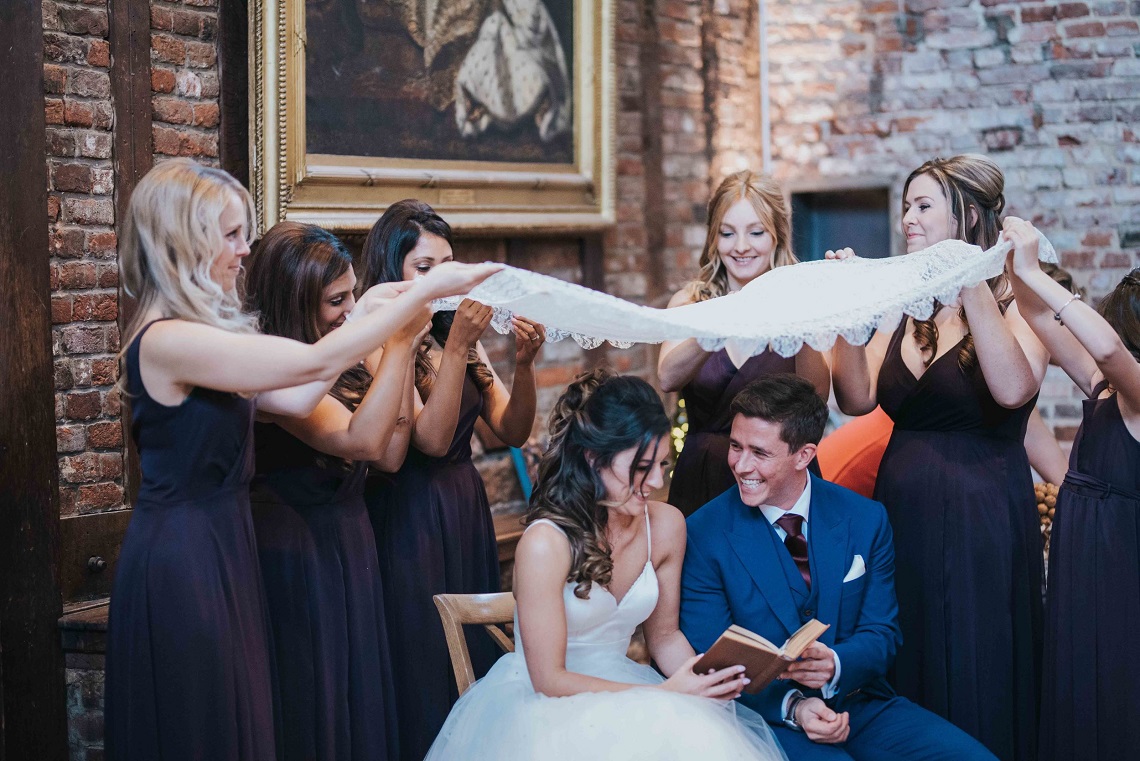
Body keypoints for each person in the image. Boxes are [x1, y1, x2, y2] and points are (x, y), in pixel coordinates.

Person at [102, 160, 499, 760]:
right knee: (200, 720)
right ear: (185, 240)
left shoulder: (205, 335)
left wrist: (366, 313)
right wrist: (424, 292)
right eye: (231, 234)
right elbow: (311, 367)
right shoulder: (168, 339)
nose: (243, 250)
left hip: (224, 542)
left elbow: (297, 393)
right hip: (185, 552)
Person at [426, 369, 789, 760]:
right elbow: (548, 679)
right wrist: (662, 694)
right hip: (547, 707)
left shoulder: (666, 525)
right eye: (640, 467)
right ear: (593, 457)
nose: (653, 481)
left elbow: (664, 638)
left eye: (662, 466)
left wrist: (704, 678)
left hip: (630, 688)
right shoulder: (546, 543)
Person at [827, 154, 1048, 760]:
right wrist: (852, 316)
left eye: (923, 206)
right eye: (906, 207)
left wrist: (968, 278)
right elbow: (855, 397)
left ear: (969, 215)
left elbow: (1011, 388)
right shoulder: (908, 300)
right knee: (911, 646)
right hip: (901, 511)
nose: (908, 221)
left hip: (985, 512)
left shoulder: (1023, 289)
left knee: (979, 653)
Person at [680, 374, 997, 760]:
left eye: (759, 453)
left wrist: (835, 664)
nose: (740, 464)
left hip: (858, 703)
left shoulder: (866, 518)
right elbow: (710, 652)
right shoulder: (702, 532)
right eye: (735, 446)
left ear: (804, 455)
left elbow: (882, 633)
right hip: (762, 716)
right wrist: (795, 705)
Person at [358, 199, 545, 759]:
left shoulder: (452, 331)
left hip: (464, 504)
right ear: (394, 271)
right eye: (425, 267)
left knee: (474, 655)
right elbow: (430, 441)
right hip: (410, 510)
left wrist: (526, 364)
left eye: (449, 264)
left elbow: (511, 428)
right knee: (425, 654)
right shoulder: (381, 338)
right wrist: (460, 343)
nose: (442, 279)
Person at [243, 222, 430, 760]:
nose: (350, 310)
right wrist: (395, 347)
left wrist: (385, 349)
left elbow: (394, 454)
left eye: (354, 294)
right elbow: (365, 441)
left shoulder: (339, 355)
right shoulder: (274, 369)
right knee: (316, 699)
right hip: (297, 547)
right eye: (336, 300)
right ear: (294, 301)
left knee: (357, 695)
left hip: (351, 538)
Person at [1003, 219, 1140, 760]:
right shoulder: (1108, 388)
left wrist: (1039, 271)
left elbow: (1106, 350)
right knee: (1076, 675)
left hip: (1117, 561)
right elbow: (1039, 318)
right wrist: (1015, 275)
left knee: (1114, 680)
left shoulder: (1133, 386)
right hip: (1082, 554)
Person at [659, 170, 829, 516]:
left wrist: (802, 317)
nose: (740, 247)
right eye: (727, 233)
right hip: (704, 476)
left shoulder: (803, 302)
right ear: (713, 238)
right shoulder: (690, 301)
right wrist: (717, 323)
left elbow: (818, 397)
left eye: (755, 232)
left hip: (779, 479)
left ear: (777, 237)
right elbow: (667, 377)